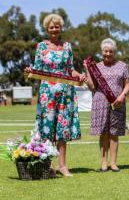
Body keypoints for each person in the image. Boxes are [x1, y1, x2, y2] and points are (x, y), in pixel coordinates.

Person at [25, 13, 86, 177]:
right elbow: (37, 67)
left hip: (65, 93)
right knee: (47, 128)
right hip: (47, 93)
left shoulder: (67, 46)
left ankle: (63, 166)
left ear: (60, 28)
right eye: (51, 27)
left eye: (57, 26)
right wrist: (31, 70)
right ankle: (49, 166)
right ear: (47, 29)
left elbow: (70, 69)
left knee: (62, 129)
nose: (54, 29)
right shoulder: (41, 47)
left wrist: (79, 75)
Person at [84, 38, 129, 172]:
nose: (108, 54)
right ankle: (104, 162)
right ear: (101, 52)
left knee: (114, 132)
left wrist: (122, 96)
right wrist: (87, 70)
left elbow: (127, 85)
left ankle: (114, 163)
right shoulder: (96, 67)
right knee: (103, 132)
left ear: (114, 52)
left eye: (111, 51)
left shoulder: (122, 66)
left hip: (118, 103)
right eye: (105, 51)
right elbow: (92, 87)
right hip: (100, 102)